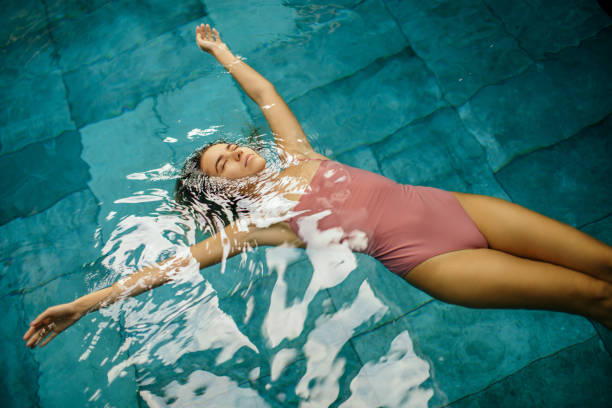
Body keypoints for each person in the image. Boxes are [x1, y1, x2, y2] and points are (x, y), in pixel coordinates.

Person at [24, 24, 612, 349]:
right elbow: (175, 265)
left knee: (605, 266)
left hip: (457, 208)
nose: (231, 152)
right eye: (221, 164)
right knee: (596, 297)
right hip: (433, 259)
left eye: (227, 148)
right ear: (224, 193)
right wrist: (83, 304)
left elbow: (263, 96)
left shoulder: (296, 152)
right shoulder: (259, 226)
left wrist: (222, 53)